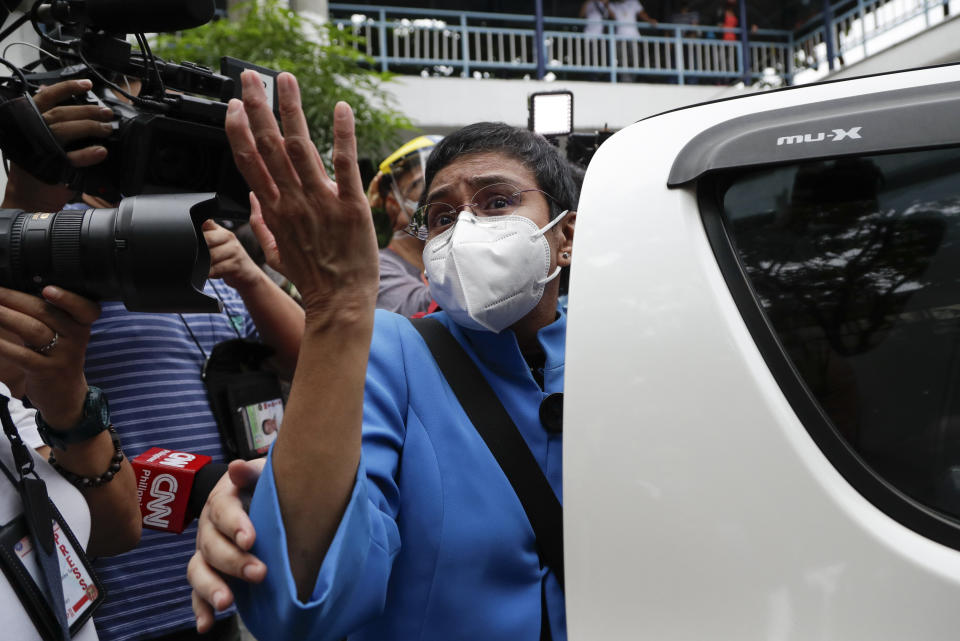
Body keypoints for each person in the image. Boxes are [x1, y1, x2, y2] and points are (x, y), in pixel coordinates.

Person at [186, 70, 577, 640]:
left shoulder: (624, 355)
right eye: (442, 216)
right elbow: (304, 609)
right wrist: (335, 309)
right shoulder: (390, 351)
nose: (465, 226)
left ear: (565, 237)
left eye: (497, 202)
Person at [4, 78, 303, 641]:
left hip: (219, 581)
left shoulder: (215, 255)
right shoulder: (65, 256)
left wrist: (249, 275)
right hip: (115, 592)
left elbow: (314, 360)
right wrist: (30, 195)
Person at [367, 135, 442, 317]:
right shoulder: (374, 268)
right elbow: (418, 312)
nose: (440, 192)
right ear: (393, 205)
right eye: (423, 183)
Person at [607, 0, 657, 81]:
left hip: (633, 37)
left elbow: (641, 13)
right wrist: (606, 5)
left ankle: (632, 80)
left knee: (636, 60)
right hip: (620, 38)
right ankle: (625, 80)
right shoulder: (613, 5)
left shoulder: (633, 2)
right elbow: (612, 16)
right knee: (622, 61)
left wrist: (649, 20)